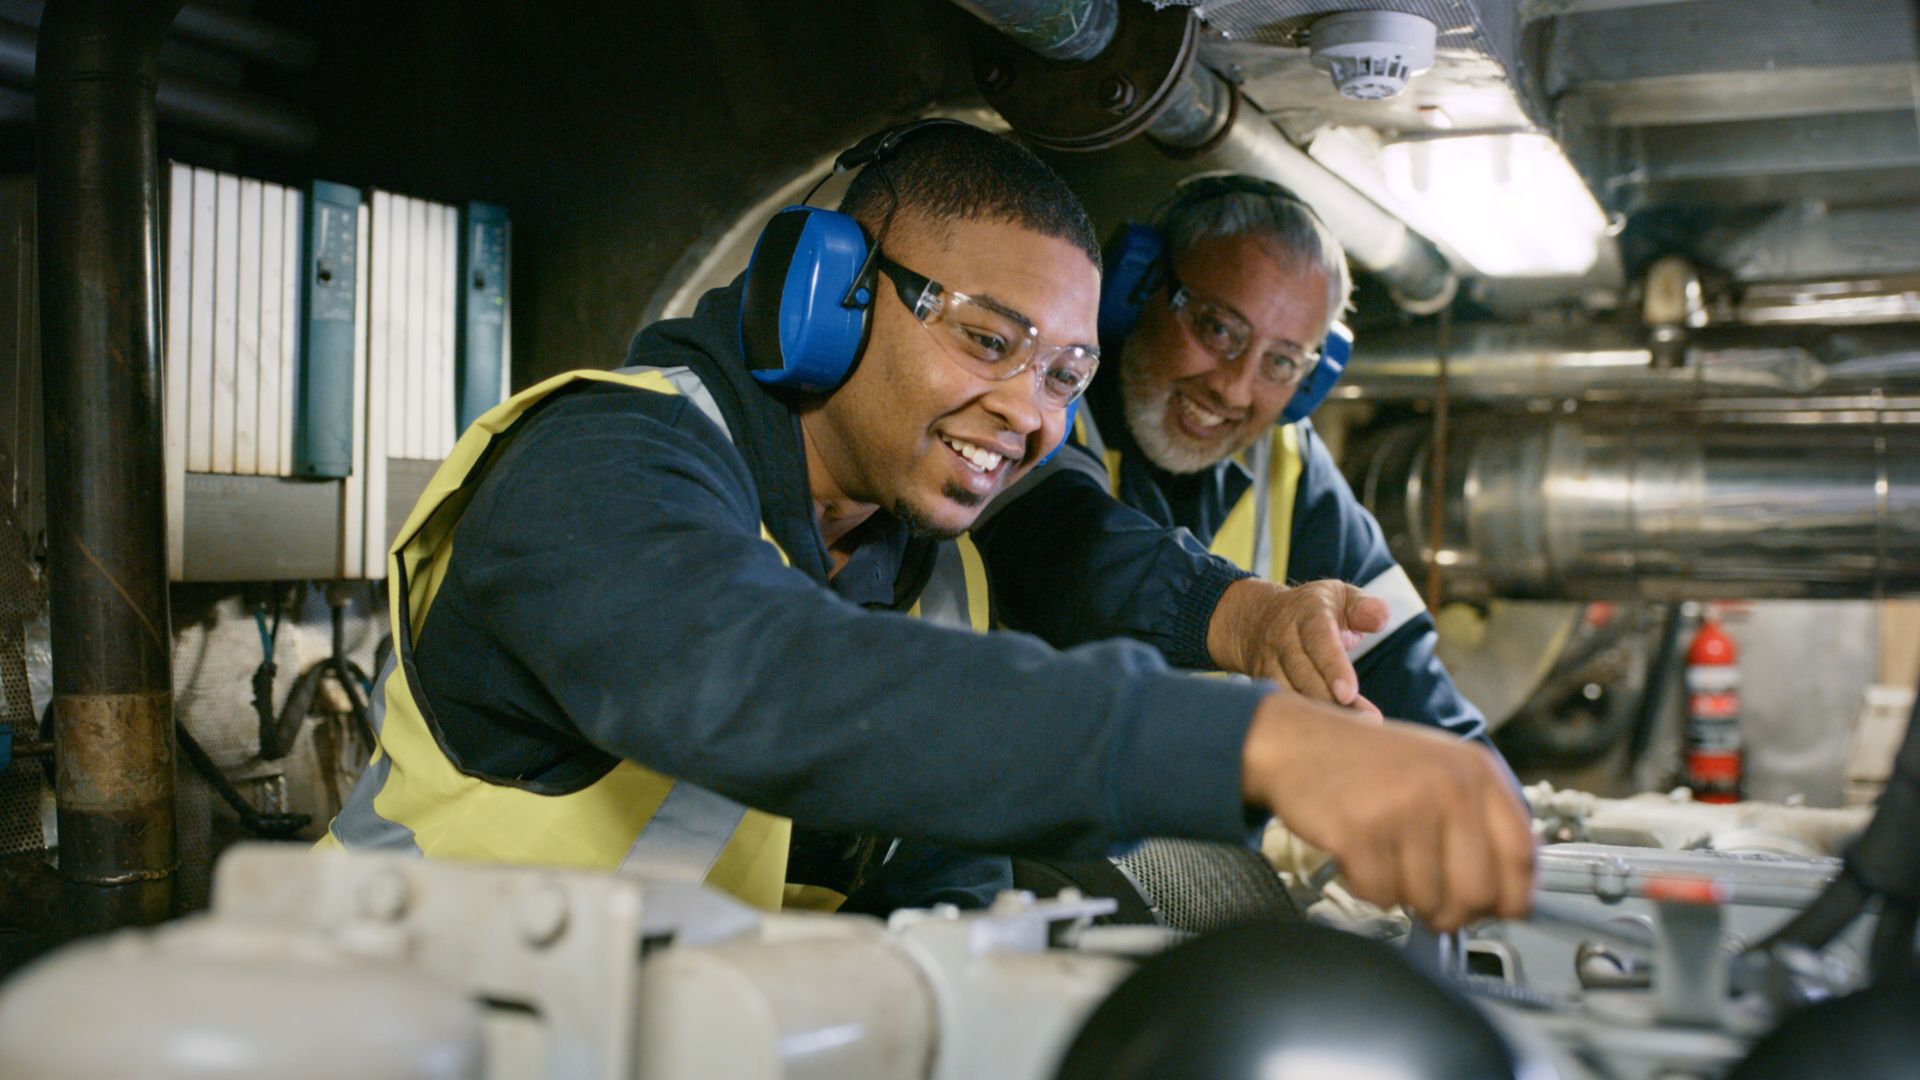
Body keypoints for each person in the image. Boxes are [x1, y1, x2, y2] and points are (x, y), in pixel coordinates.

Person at [320, 122, 1530, 932]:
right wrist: (1257, 744)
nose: (1030, 413)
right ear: (828, 296)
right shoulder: (602, 467)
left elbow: (942, 884)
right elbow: (772, 683)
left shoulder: (933, 565)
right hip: (390, 1032)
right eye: (987, 340)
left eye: (1065, 372)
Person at [973, 174, 1485, 741]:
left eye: (1282, 362)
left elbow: (1406, 679)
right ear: (1137, 286)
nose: (1235, 390)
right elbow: (1063, 557)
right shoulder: (1043, 403)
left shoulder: (1289, 461)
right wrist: (1250, 618)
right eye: (1218, 329)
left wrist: (1482, 789)